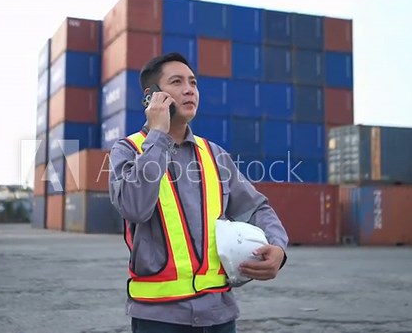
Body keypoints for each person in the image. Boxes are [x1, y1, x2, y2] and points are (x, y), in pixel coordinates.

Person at [108, 52, 289, 333]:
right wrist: (158, 135)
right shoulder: (128, 150)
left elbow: (256, 208)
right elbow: (134, 207)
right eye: (177, 82)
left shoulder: (214, 155)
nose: (189, 89)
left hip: (219, 315)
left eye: (193, 82)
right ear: (151, 96)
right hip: (159, 319)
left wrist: (278, 247)